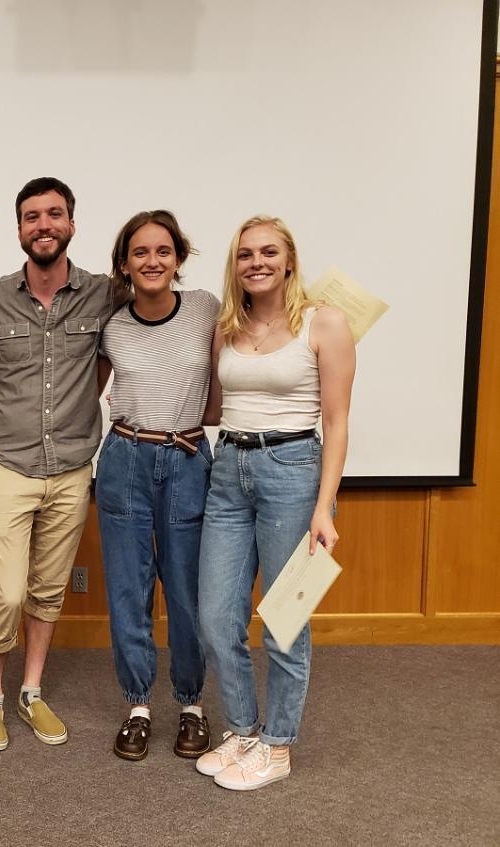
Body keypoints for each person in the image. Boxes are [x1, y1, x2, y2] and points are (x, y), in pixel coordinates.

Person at [195, 215, 355, 790]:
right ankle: (242, 730)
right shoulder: (226, 328)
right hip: (227, 471)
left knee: (285, 620)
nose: (255, 262)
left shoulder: (325, 323)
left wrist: (324, 506)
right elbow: (214, 408)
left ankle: (278, 744)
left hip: (294, 472)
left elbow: (335, 423)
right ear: (234, 265)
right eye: (244, 254)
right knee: (215, 618)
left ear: (289, 260)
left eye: (268, 252)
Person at [0, 177, 117, 751]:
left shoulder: (105, 295)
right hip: (9, 464)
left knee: (48, 589)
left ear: (72, 224)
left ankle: (30, 691)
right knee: (5, 592)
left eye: (54, 215)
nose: (44, 225)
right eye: (32, 217)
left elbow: (152, 321)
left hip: (74, 464)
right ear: (20, 229)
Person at [96, 210, 220, 762]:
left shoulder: (206, 309)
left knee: (188, 593)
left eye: (162, 251)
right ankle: (138, 705)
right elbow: (87, 390)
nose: (152, 261)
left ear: (180, 258)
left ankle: (191, 704)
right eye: (140, 252)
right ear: (124, 263)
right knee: (129, 590)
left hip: (189, 459)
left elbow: (270, 322)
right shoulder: (112, 324)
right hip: (125, 457)